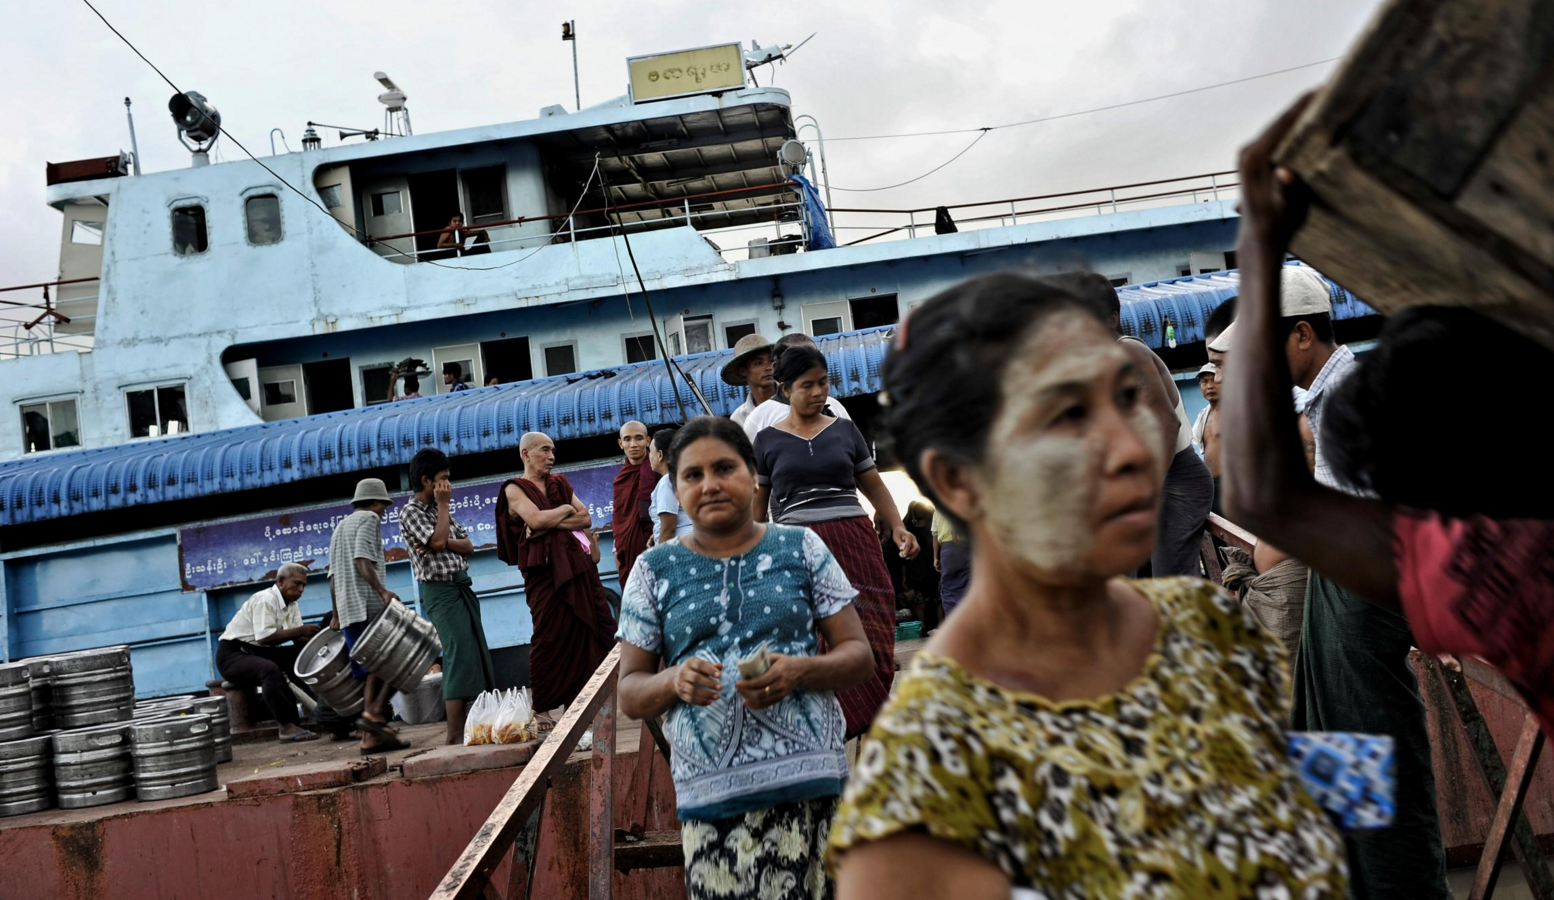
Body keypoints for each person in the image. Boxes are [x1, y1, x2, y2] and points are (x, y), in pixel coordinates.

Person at [827, 270, 1346, 899]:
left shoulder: (1202, 624)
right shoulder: (928, 753)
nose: (1130, 448)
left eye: (1126, 401)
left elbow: (1305, 795)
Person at [1220, 95, 1448, 900]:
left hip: (1363, 605)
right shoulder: (1324, 404)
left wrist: (1263, 230)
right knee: (1340, 754)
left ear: (1304, 336)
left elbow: (1276, 500)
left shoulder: (1354, 404)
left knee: (1376, 768)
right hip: (1343, 605)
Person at [616, 416, 874, 900]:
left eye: (724, 468)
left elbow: (859, 656)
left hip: (812, 792)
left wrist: (800, 669)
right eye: (692, 475)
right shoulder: (652, 571)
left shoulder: (800, 546)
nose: (709, 485)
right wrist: (674, 681)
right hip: (713, 805)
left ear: (751, 471)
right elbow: (630, 692)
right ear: (674, 487)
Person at [753, 343, 920, 738]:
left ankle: (866, 709)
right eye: (807, 385)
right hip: (797, 545)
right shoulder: (766, 440)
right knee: (816, 633)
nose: (818, 392)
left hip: (854, 537)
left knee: (875, 625)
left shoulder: (845, 430)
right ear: (785, 389)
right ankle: (835, 720)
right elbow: (758, 510)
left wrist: (897, 526)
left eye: (824, 383)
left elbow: (874, 486)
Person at [497, 431, 617, 712]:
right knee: (549, 637)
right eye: (544, 451)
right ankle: (543, 710)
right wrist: (565, 511)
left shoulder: (559, 484)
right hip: (545, 576)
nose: (551, 457)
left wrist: (552, 518)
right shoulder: (514, 489)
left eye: (553, 451)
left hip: (578, 569)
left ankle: (582, 709)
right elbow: (536, 519)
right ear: (526, 454)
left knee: (590, 632)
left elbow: (585, 518)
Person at [1101, 280, 1215, 576]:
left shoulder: (1126, 350)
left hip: (1175, 480)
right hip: (1156, 483)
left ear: (1112, 318)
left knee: (1168, 584)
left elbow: (1166, 422)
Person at [399, 448, 497, 744]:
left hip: (461, 585)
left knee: (475, 654)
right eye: (443, 480)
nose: (448, 486)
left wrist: (441, 542)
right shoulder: (412, 512)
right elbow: (440, 539)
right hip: (440, 590)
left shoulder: (441, 513)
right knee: (456, 655)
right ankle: (453, 736)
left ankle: (476, 726)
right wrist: (442, 513)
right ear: (427, 481)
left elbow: (467, 546)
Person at [328, 478, 411, 754]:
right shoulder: (369, 520)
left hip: (349, 610)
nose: (384, 510)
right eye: (384, 505)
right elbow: (361, 561)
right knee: (396, 660)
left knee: (371, 671)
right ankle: (373, 715)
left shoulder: (341, 526)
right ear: (376, 502)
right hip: (366, 604)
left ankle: (369, 737)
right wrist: (383, 591)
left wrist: (337, 614)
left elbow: (332, 577)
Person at [215, 563, 321, 743]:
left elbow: (298, 640)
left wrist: (322, 640)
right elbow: (264, 637)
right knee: (270, 670)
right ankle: (286, 727)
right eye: (296, 584)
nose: (301, 589)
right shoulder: (265, 599)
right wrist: (301, 630)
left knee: (303, 658)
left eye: (303, 585)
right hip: (233, 655)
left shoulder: (292, 605)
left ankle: (323, 712)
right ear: (281, 582)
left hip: (260, 652)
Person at [742, 333, 852, 441]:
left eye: (813, 356)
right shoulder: (759, 419)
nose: (809, 364)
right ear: (776, 367)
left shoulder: (834, 406)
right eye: (796, 360)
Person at [612, 420, 658, 585]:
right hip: (629, 547)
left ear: (647, 441)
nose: (633, 444)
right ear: (620, 443)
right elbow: (620, 521)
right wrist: (618, 547)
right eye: (627, 439)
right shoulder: (620, 480)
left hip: (659, 541)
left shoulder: (660, 472)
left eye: (638, 438)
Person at [648, 427, 692, 545]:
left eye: (650, 451)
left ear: (660, 454)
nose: (649, 456)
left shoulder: (667, 481)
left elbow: (668, 529)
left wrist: (661, 558)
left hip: (681, 550)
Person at [1190, 362, 1224, 514]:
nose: (1209, 386)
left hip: (1233, 486)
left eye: (1214, 379)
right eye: (1204, 382)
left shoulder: (1235, 410)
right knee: (1219, 536)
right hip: (1211, 487)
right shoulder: (1203, 416)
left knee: (1241, 535)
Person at [721, 333, 775, 427]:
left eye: (771, 361)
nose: (768, 367)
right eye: (758, 363)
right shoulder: (739, 419)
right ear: (743, 371)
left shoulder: (793, 402)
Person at [930, 507, 969, 617]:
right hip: (965, 547)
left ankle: (954, 622)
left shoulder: (938, 511)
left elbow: (935, 535)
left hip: (947, 552)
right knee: (968, 586)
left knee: (949, 589)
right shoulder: (961, 502)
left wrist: (935, 557)